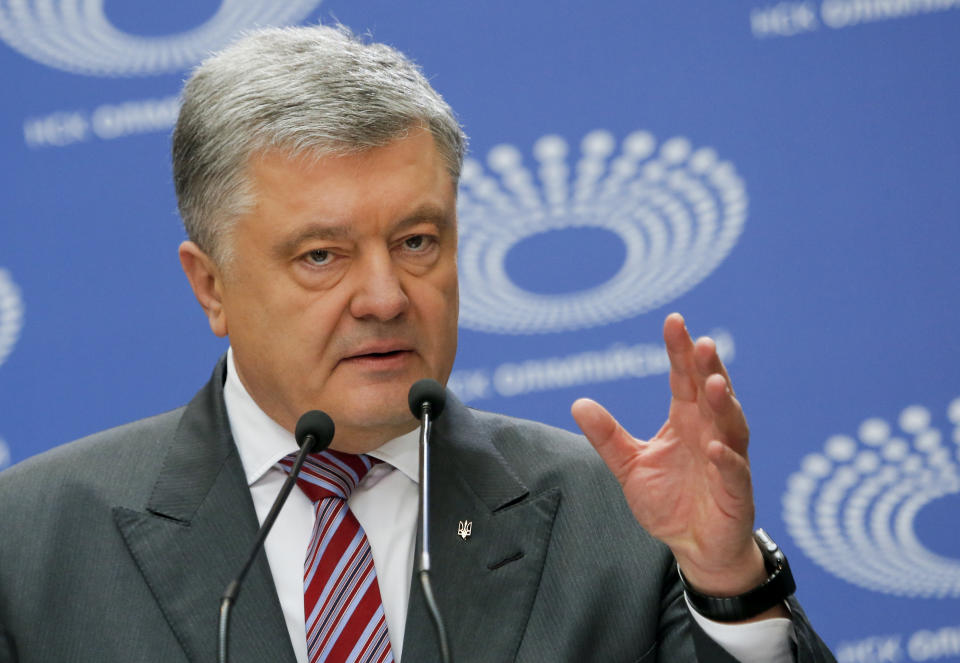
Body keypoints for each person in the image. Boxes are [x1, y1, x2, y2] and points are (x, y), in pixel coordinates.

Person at [0, 25, 835, 663]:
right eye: (321, 255)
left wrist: (726, 581)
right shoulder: (32, 542)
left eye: (417, 241)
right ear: (210, 284)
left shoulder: (616, 519)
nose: (386, 296)